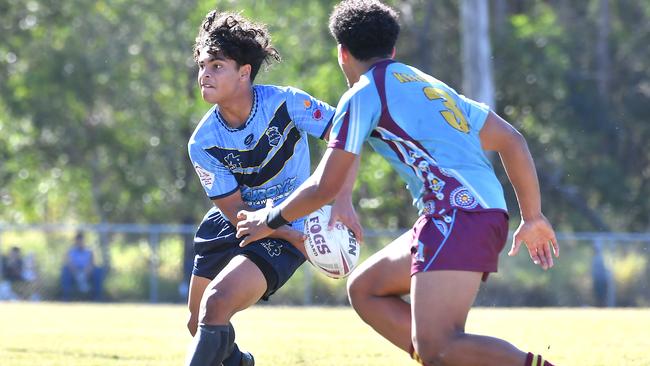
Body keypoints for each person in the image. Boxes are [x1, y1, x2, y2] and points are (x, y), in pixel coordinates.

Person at [236, 1, 560, 366]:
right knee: (366, 289)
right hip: (469, 213)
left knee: (439, 346)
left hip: (458, 214)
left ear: (342, 54)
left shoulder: (362, 94)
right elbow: (512, 140)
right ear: (393, 49)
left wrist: (270, 219)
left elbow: (324, 184)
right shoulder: (427, 84)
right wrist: (532, 217)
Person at [184, 10, 358, 366]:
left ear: (244, 72)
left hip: (291, 217)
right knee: (196, 322)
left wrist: (341, 200)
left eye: (216, 66)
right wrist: (296, 240)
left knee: (216, 304)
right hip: (240, 220)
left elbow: (346, 137)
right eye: (202, 66)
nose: (204, 74)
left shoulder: (287, 103)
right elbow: (236, 214)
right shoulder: (202, 143)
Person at [61, 232, 104, 301]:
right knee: (65, 270)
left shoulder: (89, 251)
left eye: (81, 241)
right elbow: (69, 263)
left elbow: (92, 263)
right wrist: (77, 273)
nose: (80, 243)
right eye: (78, 241)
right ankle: (66, 296)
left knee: (98, 271)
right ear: (75, 241)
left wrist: (85, 273)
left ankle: (97, 297)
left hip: (87, 272)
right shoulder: (71, 251)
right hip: (74, 272)